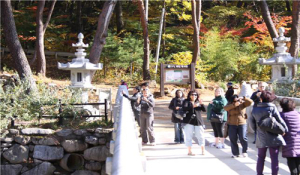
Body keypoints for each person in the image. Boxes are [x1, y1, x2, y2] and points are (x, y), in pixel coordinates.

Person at [250, 91, 288, 175]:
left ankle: (259, 173)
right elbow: (279, 120)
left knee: (260, 157)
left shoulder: (255, 108)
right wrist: (285, 130)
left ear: (261, 98)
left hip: (261, 136)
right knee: (274, 158)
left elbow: (251, 123)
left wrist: (257, 131)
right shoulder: (272, 107)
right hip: (273, 136)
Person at [279, 98, 300, 175]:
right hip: (299, 141)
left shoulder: (282, 116)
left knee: (291, 162)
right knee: (298, 162)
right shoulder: (298, 114)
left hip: (288, 142)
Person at [182, 90, 206, 156]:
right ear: (189, 95)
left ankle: (203, 150)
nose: (193, 96)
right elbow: (184, 108)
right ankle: (189, 151)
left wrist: (201, 104)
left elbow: (204, 110)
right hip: (188, 121)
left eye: (195, 95)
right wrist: (193, 106)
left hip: (198, 121)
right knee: (188, 136)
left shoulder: (198, 102)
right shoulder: (186, 101)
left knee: (201, 136)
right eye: (192, 94)